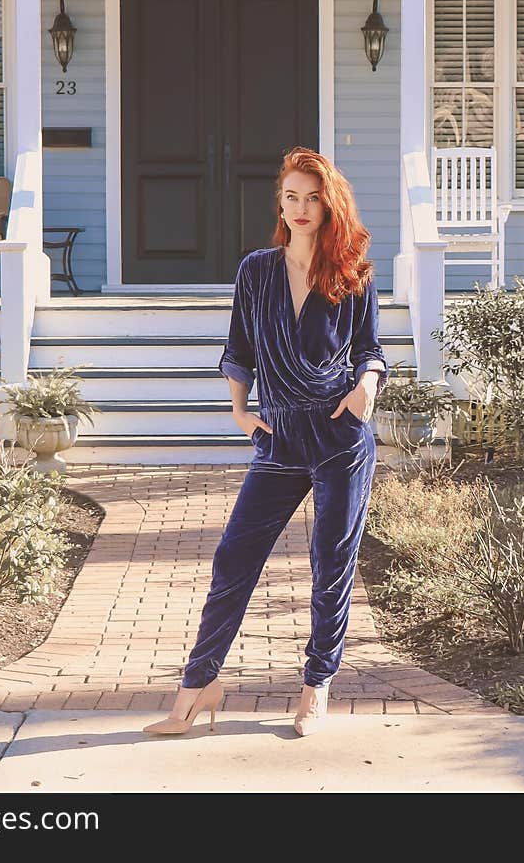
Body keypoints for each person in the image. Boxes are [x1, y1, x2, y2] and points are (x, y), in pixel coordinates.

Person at [143, 146, 389, 737]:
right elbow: (240, 349)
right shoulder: (255, 270)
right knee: (234, 558)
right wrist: (238, 409)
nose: (301, 208)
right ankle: (199, 686)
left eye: (312, 198)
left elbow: (371, 351)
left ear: (329, 206)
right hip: (278, 438)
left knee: (331, 563)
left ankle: (315, 687)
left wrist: (367, 387)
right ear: (279, 203)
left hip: (339, 438)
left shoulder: (350, 270)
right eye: (291, 197)